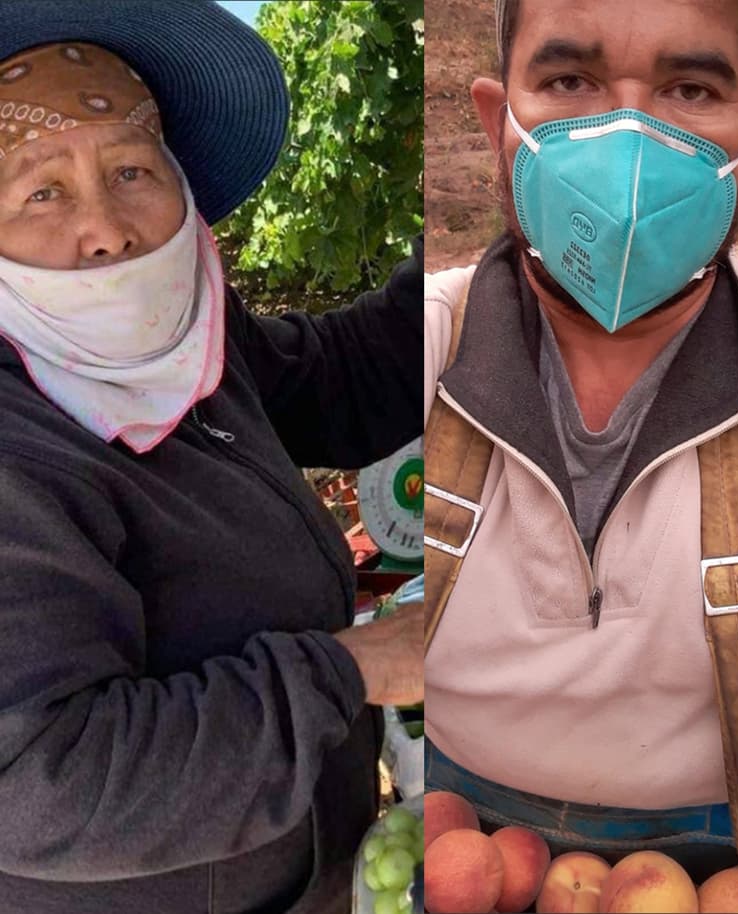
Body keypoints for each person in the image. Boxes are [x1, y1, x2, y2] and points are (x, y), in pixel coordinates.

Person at [422, 0, 738, 904]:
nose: (628, 140)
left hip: (719, 863)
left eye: (692, 88)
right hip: (455, 846)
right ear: (496, 123)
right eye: (568, 82)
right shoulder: (422, 349)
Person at [0, 3, 424, 912]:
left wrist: (485, 253)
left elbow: (346, 376)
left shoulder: (190, 360)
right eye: (42, 191)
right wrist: (357, 668)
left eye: (131, 169)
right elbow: (39, 782)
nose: (107, 228)